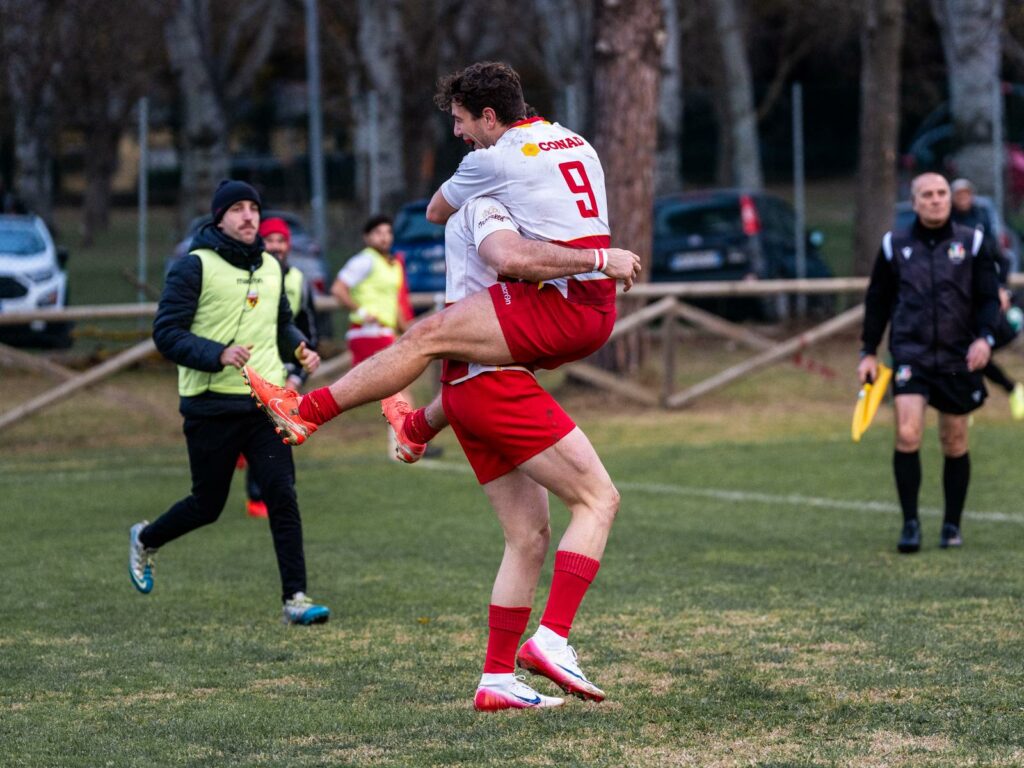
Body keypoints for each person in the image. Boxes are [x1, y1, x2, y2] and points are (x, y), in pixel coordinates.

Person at [243, 61, 641, 453]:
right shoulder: (575, 140)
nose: (456, 132)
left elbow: (436, 211)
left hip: (563, 304)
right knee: (472, 368)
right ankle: (415, 429)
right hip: (593, 309)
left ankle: (307, 411)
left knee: (425, 337)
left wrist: (598, 258)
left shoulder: (493, 160)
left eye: (460, 120)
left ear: (488, 116)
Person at [128, 180, 330, 625]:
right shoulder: (193, 267)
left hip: (265, 403)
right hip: (211, 404)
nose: (248, 216)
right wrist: (216, 354)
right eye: (237, 208)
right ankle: (146, 538)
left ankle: (295, 599)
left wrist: (299, 347)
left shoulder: (274, 267)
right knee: (208, 504)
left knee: (282, 495)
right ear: (219, 217)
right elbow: (166, 334)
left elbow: (282, 325)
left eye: (253, 207)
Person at [859, 172, 1000, 553]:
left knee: (953, 440)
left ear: (949, 200)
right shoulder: (894, 244)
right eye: (928, 194)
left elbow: (990, 299)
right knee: (907, 434)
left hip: (957, 356)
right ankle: (910, 524)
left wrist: (985, 338)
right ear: (914, 200)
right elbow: (878, 301)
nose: (936, 200)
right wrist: (868, 351)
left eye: (941, 193)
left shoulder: (972, 243)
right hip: (911, 354)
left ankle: (952, 525)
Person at [330, 215, 429, 461]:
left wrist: (409, 327)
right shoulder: (364, 260)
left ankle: (405, 442)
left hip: (385, 332)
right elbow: (338, 289)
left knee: (397, 387)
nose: (384, 237)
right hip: (367, 333)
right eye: (377, 232)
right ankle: (409, 441)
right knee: (398, 385)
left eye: (387, 232)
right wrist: (361, 311)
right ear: (367, 237)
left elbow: (394, 304)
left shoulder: (393, 264)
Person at [241, 216, 321, 518]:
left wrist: (297, 374)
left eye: (281, 240)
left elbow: (308, 332)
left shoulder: (298, 280)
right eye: (270, 240)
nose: (275, 246)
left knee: (275, 434)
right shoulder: (248, 277)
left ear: (288, 245)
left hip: (283, 372)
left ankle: (263, 496)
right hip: (246, 369)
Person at [950, 178, 1024, 419]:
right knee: (969, 352)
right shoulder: (946, 226)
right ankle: (999, 391)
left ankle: (979, 395)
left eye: (966, 194)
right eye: (958, 194)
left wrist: (1000, 288)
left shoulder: (981, 224)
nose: (963, 198)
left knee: (978, 350)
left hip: (983, 301)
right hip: (959, 304)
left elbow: (1001, 260)